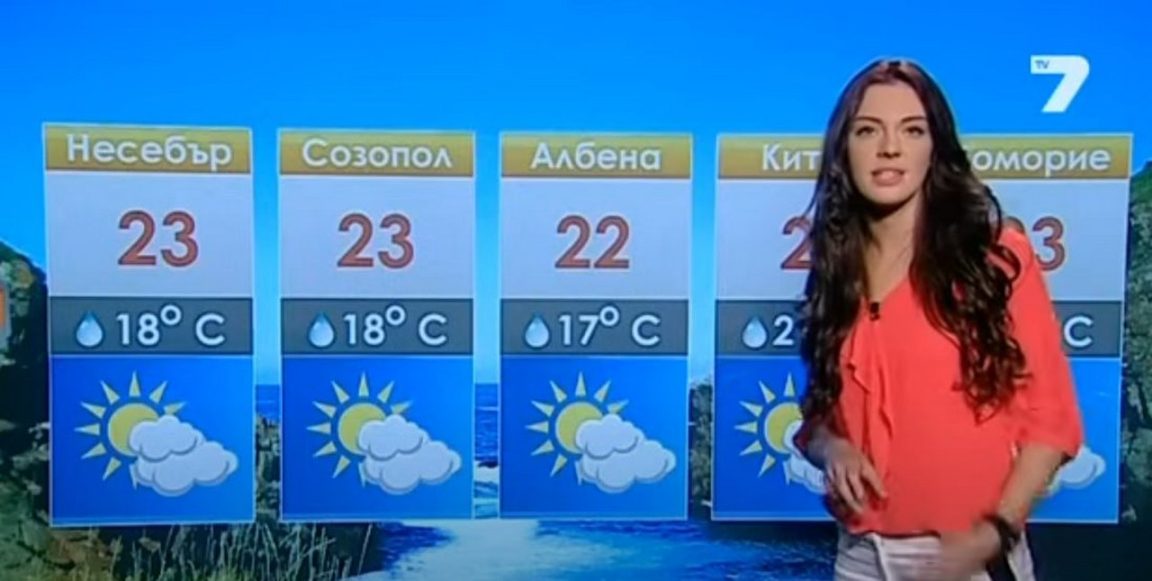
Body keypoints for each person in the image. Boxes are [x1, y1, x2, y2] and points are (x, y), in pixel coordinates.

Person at [792, 58, 1085, 580]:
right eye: (867, 130)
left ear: (936, 147)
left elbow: (1052, 423)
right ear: (843, 150)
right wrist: (834, 449)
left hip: (967, 558)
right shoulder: (836, 273)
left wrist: (995, 532)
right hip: (859, 558)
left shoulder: (994, 259)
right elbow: (818, 420)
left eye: (912, 130)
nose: (889, 148)